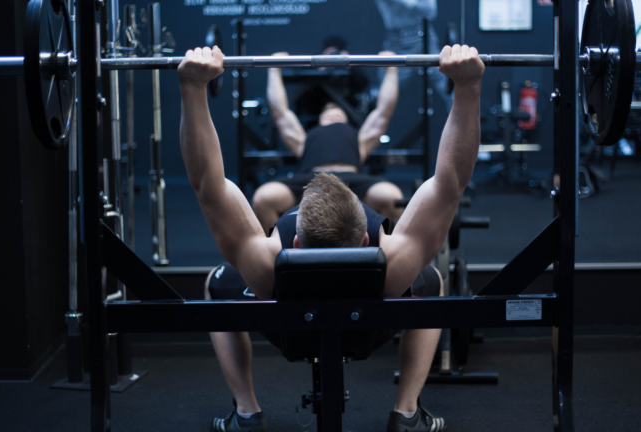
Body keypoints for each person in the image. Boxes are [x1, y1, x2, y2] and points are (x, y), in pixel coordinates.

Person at [177, 43, 484, 432]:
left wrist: (192, 88)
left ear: (296, 243)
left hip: (289, 326)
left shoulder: (265, 264)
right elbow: (450, 183)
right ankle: (406, 415)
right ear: (365, 242)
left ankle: (246, 415)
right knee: (432, 281)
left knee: (216, 284)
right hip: (369, 325)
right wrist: (468, 85)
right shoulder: (395, 264)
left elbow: (207, 184)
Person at [252, 50, 404, 231]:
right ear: (320, 121)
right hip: (311, 181)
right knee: (263, 198)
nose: (333, 116)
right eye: (328, 114)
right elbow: (281, 113)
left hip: (352, 182)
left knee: (392, 198)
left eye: (338, 114)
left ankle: (384, 253)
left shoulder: (359, 139)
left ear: (347, 121)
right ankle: (277, 254)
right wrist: (274, 70)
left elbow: (383, 112)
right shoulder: (304, 140)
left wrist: (392, 69)